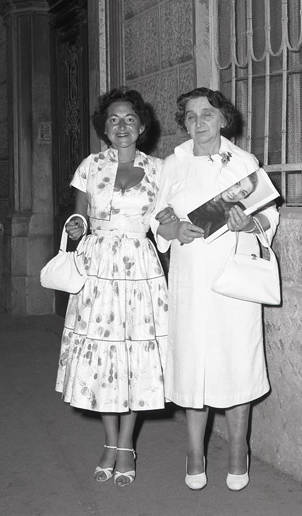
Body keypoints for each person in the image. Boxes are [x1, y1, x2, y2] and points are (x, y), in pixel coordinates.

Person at [152, 87, 279, 492]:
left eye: (207, 114)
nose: (199, 122)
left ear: (223, 119)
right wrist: (173, 228)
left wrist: (251, 223)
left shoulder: (244, 162)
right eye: (190, 116)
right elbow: (157, 216)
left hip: (233, 277)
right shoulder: (173, 164)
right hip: (190, 277)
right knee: (193, 363)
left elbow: (269, 215)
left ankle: (239, 450)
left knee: (236, 359)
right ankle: (194, 453)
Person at [55, 87, 167, 487]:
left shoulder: (159, 170)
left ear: (142, 127)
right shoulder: (90, 166)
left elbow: (165, 220)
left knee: (133, 354)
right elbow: (80, 216)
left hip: (139, 268)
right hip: (98, 267)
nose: (122, 126)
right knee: (104, 355)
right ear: (104, 129)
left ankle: (126, 445)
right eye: (113, 120)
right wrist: (76, 226)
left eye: (130, 119)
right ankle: (109, 442)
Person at [188, 172, 258, 239]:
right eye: (236, 184)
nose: (235, 192)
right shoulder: (203, 183)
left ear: (244, 197)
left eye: (243, 193)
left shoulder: (238, 213)